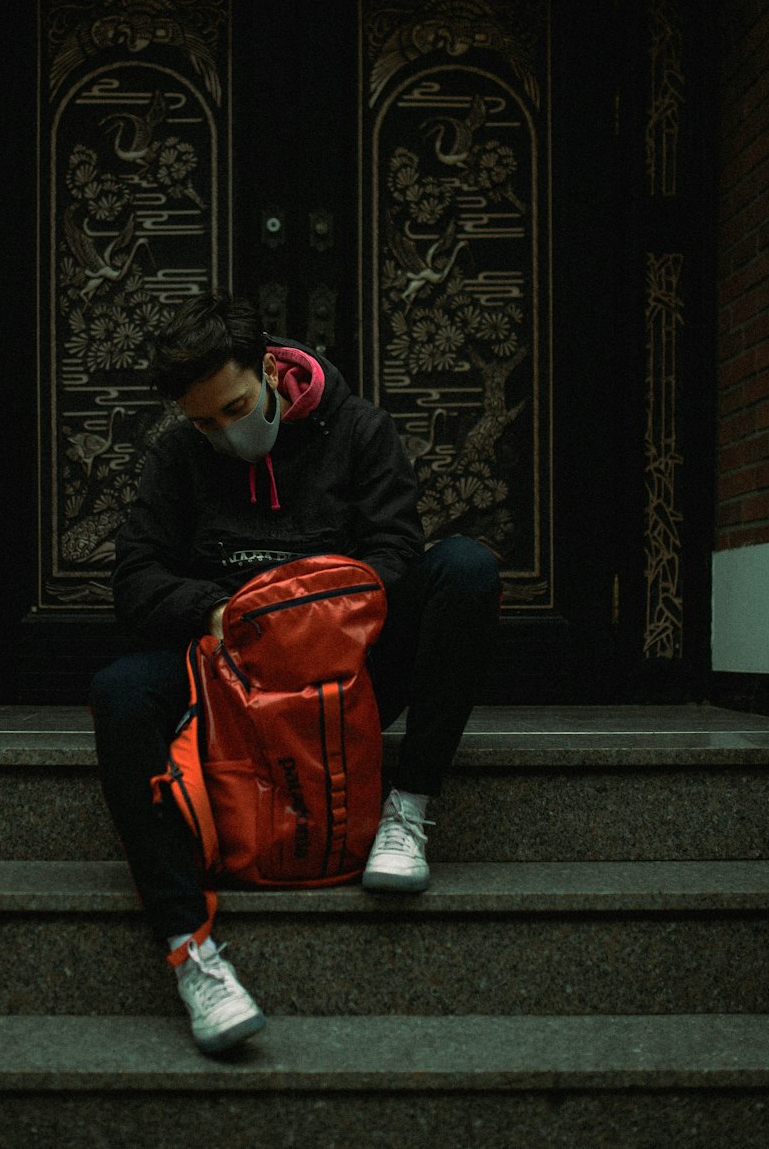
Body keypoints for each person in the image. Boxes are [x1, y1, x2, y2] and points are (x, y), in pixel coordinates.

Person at [90, 289, 501, 1054]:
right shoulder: (179, 454)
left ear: (272, 371)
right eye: (204, 421)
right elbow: (135, 581)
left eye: (235, 407)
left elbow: (397, 553)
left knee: (466, 570)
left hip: (344, 665)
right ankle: (191, 953)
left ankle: (405, 811)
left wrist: (315, 619)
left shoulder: (360, 430)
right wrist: (222, 614)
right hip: (230, 669)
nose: (222, 431)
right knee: (118, 690)